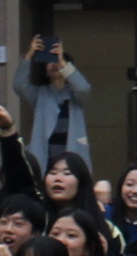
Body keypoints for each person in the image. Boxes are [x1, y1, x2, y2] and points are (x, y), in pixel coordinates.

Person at [13, 33, 91, 168]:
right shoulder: (40, 94)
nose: (55, 64)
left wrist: (62, 61)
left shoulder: (76, 95)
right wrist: (29, 55)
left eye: (58, 61)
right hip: (45, 158)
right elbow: (19, 85)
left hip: (71, 156)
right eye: (51, 61)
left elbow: (83, 88)